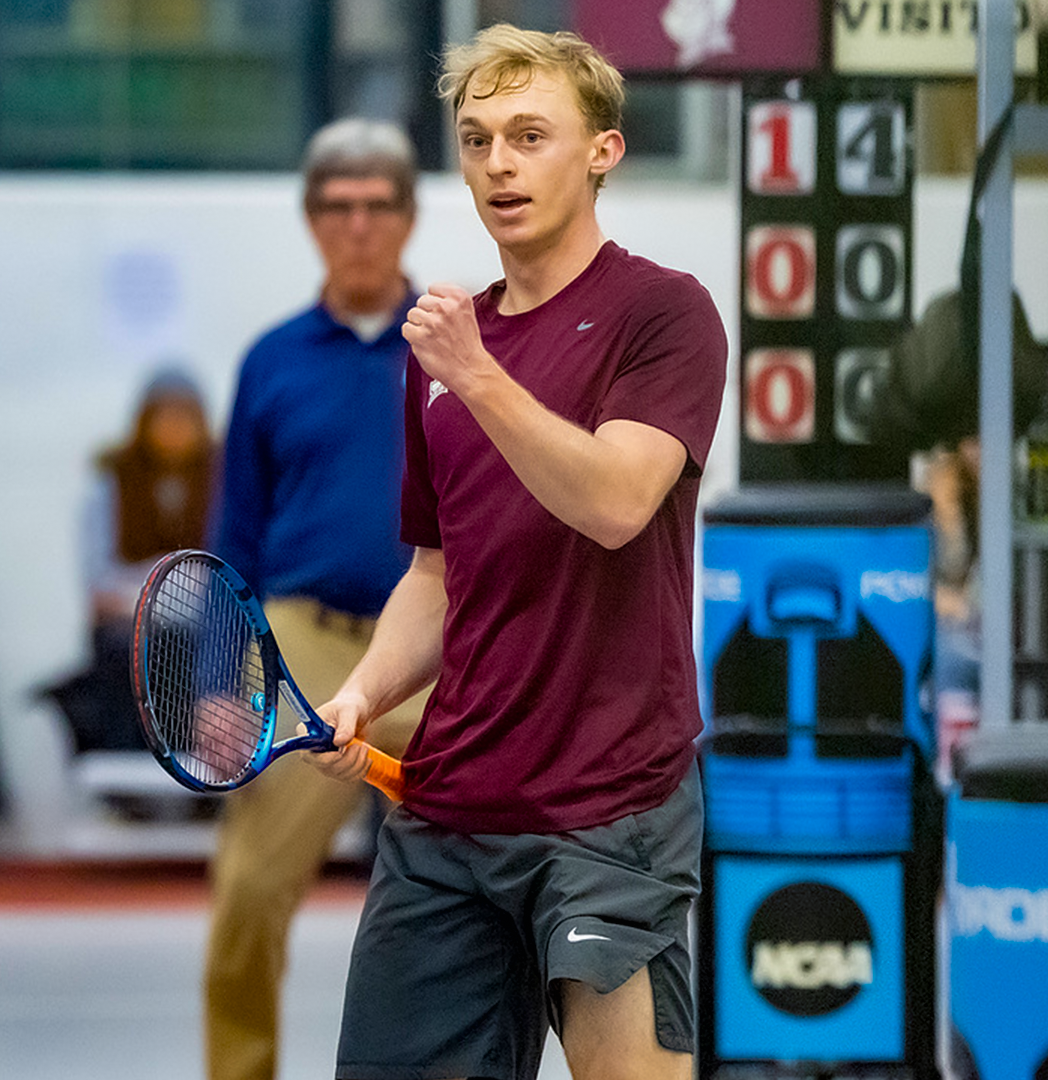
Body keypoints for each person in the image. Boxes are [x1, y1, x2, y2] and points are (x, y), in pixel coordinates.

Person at [308, 26, 726, 1080]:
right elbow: (436, 577)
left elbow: (620, 502)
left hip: (609, 813)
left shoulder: (663, 313)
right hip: (447, 817)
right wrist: (362, 692)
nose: (498, 162)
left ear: (603, 152)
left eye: (530, 134)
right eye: (478, 137)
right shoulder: (439, 353)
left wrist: (481, 376)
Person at [204, 117, 429, 1080]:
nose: (360, 226)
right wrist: (222, 683)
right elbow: (234, 538)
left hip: (436, 640)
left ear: (409, 216)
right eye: (338, 208)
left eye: (379, 206)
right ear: (310, 221)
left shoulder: (455, 347)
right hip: (302, 651)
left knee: (493, 886)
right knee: (248, 897)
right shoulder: (272, 361)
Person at [46, 368, 216, 761]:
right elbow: (100, 585)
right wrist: (166, 588)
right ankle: (128, 759)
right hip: (132, 625)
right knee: (132, 649)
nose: (174, 429)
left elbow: (228, 577)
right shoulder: (112, 484)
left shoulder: (222, 481)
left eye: (184, 418)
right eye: (164, 417)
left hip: (198, 630)